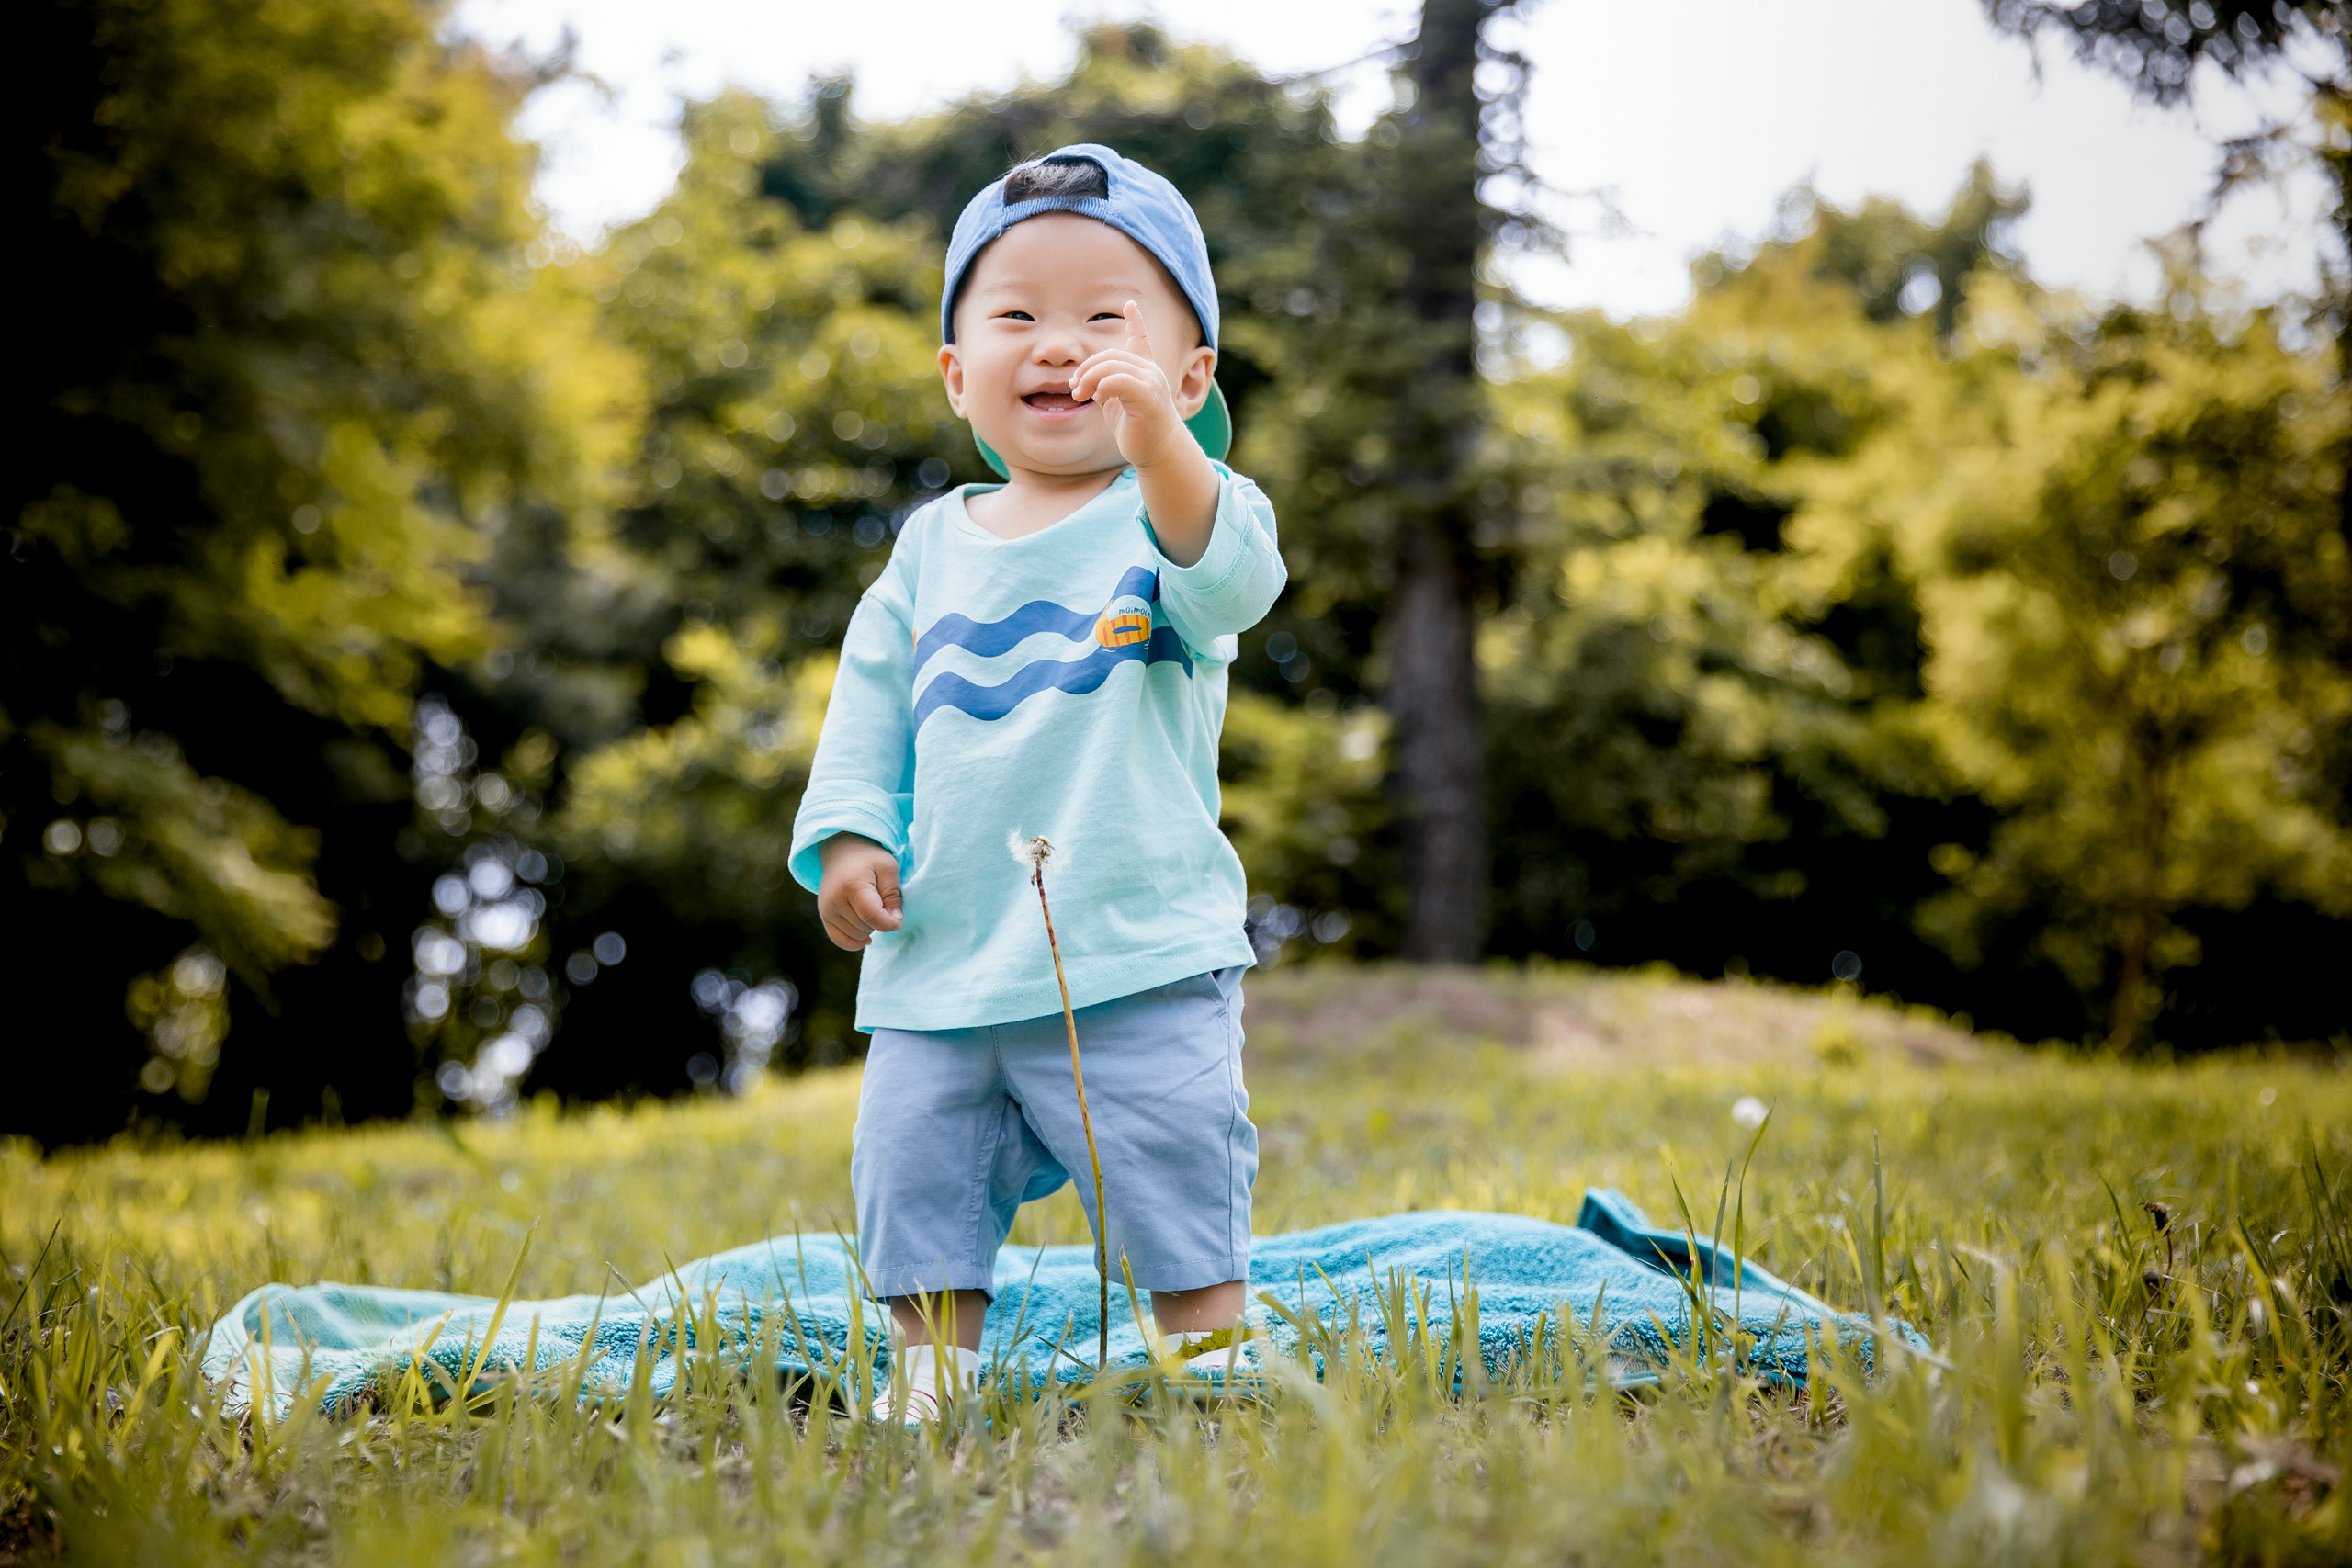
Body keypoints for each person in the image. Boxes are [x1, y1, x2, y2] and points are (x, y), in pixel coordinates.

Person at [788, 145, 1285, 1424]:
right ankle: (933, 1365)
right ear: (959, 376)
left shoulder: (1178, 514)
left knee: (1172, 1153)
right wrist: (848, 835)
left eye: (1107, 317)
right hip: (946, 949)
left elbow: (1231, 585)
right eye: (1015, 316)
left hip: (1132, 943)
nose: (1060, 344)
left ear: (1189, 377)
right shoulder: (928, 547)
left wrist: (1164, 447)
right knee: (915, 1164)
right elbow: (872, 701)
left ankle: (1205, 1341)